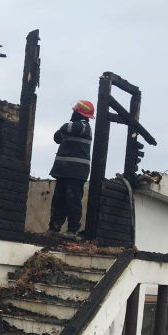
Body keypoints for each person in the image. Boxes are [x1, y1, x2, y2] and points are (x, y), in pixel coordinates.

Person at [48, 100, 95, 239]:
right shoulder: (76, 127)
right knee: (58, 200)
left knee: (72, 200)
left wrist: (63, 131)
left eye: (75, 110)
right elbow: (57, 137)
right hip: (63, 171)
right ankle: (54, 228)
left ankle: (72, 230)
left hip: (75, 172)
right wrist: (62, 133)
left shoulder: (84, 126)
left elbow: (66, 128)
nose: (73, 112)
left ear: (78, 112)